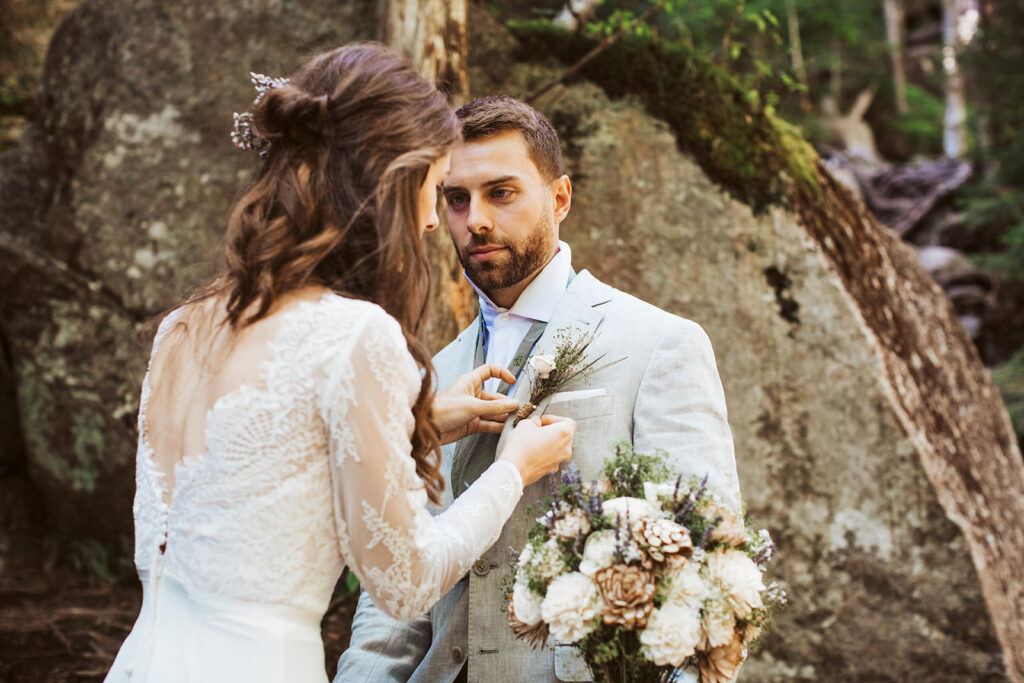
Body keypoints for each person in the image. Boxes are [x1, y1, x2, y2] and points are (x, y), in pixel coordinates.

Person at [104, 45, 575, 683]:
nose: (437, 220)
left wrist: (420, 423)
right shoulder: (357, 337)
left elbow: (249, 478)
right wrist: (513, 472)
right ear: (386, 182)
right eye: (434, 189)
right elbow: (406, 583)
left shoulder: (183, 327)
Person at [336, 95, 742, 683]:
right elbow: (395, 591)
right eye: (456, 198)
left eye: (501, 193)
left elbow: (709, 569)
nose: (475, 219)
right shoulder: (431, 374)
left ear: (560, 198)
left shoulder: (660, 344)